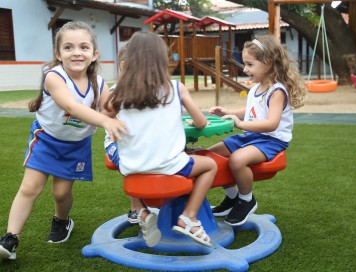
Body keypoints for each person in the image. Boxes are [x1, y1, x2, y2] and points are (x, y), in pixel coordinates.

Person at [0, 21, 127, 261]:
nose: (76, 52)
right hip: (46, 139)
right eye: (68, 47)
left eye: (83, 47)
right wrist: (106, 122)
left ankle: (61, 221)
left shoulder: (99, 83)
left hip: (76, 145)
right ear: (58, 54)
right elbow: (72, 107)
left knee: (61, 192)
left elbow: (110, 111)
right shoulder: (54, 77)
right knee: (30, 188)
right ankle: (10, 239)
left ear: (94, 54)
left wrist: (127, 97)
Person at [102, 31, 217, 247]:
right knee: (210, 165)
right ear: (162, 59)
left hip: (132, 166)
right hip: (170, 165)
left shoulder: (118, 94)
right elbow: (201, 122)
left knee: (118, 145)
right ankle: (189, 218)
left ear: (129, 61)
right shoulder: (176, 88)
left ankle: (140, 210)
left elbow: (105, 119)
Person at [209, 34, 307, 226]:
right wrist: (228, 112)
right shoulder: (255, 89)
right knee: (212, 154)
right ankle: (232, 198)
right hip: (252, 136)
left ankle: (246, 200)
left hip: (271, 140)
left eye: (250, 64)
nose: (245, 69)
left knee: (237, 159)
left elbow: (271, 123)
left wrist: (239, 123)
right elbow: (252, 112)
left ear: (268, 63)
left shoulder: (277, 91)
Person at [103, 41, 139, 224]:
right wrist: (113, 123)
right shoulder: (114, 92)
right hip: (117, 144)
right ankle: (137, 207)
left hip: (141, 142)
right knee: (130, 165)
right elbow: (105, 117)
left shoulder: (149, 93)